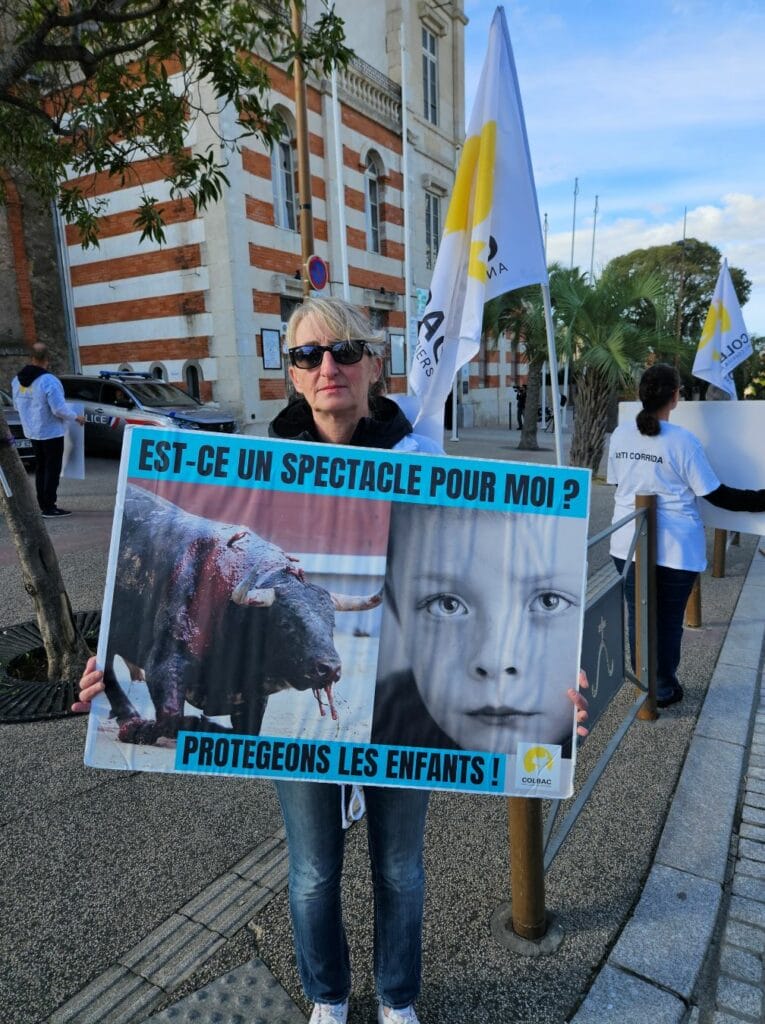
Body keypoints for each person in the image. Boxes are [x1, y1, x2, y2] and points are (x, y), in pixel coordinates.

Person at [76, 298, 588, 1024]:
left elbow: (478, 574)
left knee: (400, 867)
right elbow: (147, 588)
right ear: (288, 373)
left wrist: (550, 665)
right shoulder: (253, 466)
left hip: (395, 693)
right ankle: (327, 996)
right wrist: (103, 669)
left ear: (374, 363)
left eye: (345, 351)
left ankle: (398, 998)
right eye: (307, 355)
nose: (327, 368)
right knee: (313, 869)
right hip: (296, 702)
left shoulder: (423, 461)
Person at [607, 363, 765, 709]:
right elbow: (716, 495)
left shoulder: (620, 435)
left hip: (626, 545)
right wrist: (762, 498)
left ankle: (644, 682)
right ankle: (661, 687)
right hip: (675, 550)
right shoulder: (683, 441)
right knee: (667, 620)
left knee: (638, 614)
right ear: (675, 398)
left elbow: (618, 484)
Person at [372, 504, 585, 757]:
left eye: (549, 601)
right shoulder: (375, 723)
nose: (497, 660)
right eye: (447, 605)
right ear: (397, 610)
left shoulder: (604, 673)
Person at [12, 343, 85, 517]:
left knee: (41, 468)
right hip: (51, 432)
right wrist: (76, 417)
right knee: (52, 469)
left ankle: (42, 504)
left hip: (32, 431)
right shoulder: (49, 380)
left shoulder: (17, 380)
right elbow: (58, 409)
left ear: (31, 358)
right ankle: (50, 507)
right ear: (47, 359)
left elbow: (16, 405)